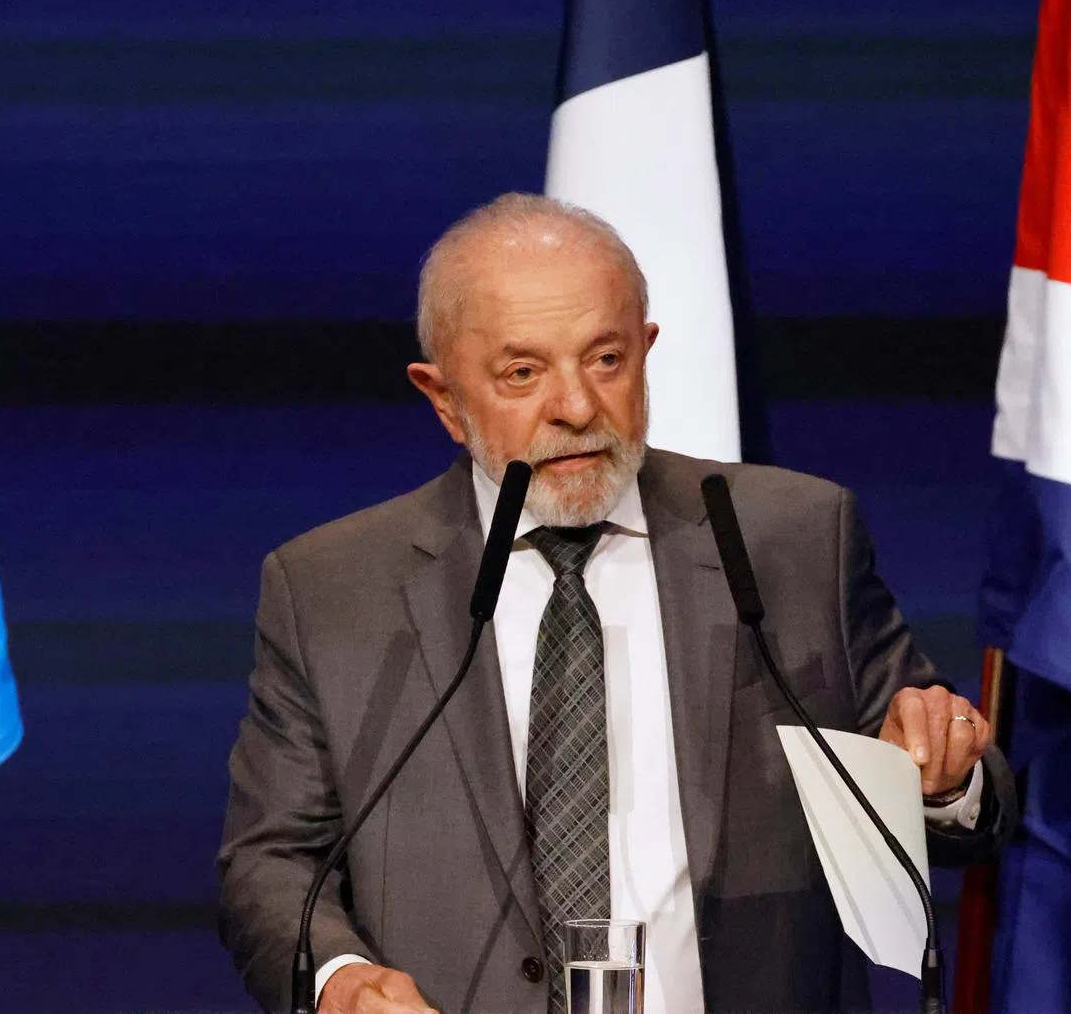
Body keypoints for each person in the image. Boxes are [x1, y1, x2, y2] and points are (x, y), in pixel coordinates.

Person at [218, 193, 1015, 1014]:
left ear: (647, 351)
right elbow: (272, 860)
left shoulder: (790, 538)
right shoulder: (333, 589)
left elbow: (965, 799)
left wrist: (941, 775)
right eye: (523, 373)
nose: (576, 408)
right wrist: (338, 980)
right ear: (445, 399)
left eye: (606, 359)